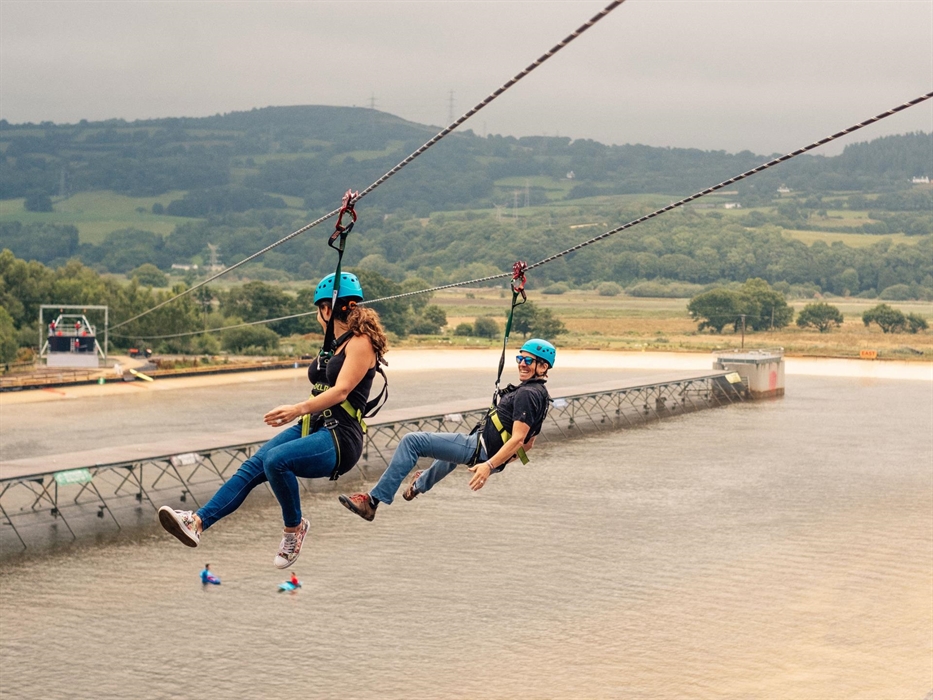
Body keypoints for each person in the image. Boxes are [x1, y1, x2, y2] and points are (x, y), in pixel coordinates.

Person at [158, 272, 388, 569]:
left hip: (340, 439)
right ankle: (198, 521)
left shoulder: (361, 342)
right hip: (315, 427)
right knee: (254, 466)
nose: (317, 317)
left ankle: (294, 530)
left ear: (327, 309)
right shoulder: (335, 343)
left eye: (319, 311)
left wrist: (298, 408)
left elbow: (342, 390)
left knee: (276, 460)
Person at [339, 339, 555, 521]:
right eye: (520, 359)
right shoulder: (541, 395)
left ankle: (373, 502)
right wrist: (500, 462)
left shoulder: (528, 395)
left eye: (528, 361)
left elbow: (518, 439)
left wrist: (489, 465)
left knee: (411, 441)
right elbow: (529, 443)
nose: (522, 364)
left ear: (543, 367)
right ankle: (419, 485)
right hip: (482, 447)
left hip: (480, 450)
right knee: (450, 453)